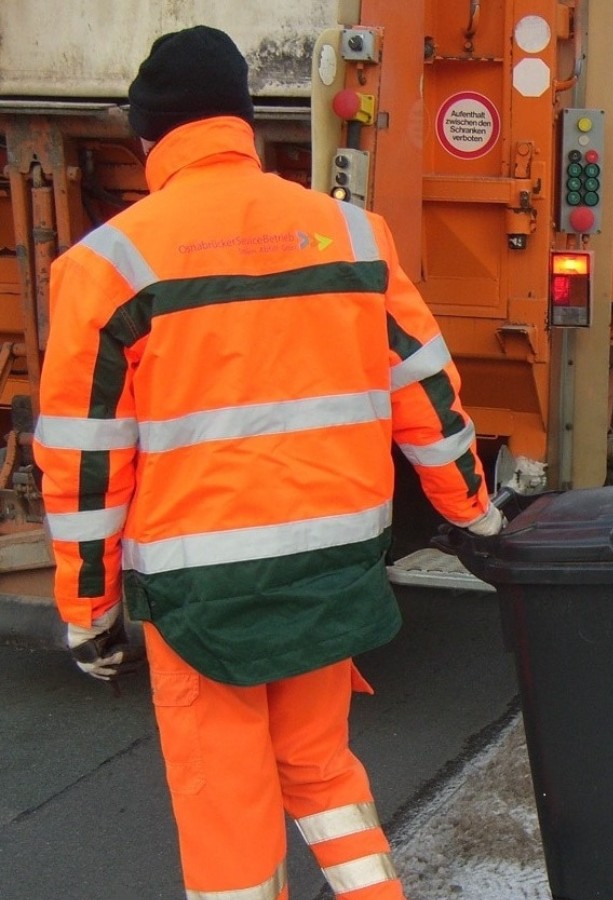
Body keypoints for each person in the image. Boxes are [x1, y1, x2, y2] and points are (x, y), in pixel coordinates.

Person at [32, 25, 503, 900]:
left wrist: (89, 610)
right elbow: (430, 400)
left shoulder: (104, 266)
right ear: (244, 126)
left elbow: (85, 465)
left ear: (149, 139)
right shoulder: (354, 236)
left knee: (226, 806)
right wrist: (473, 510)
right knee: (321, 770)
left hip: (199, 593)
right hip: (331, 574)